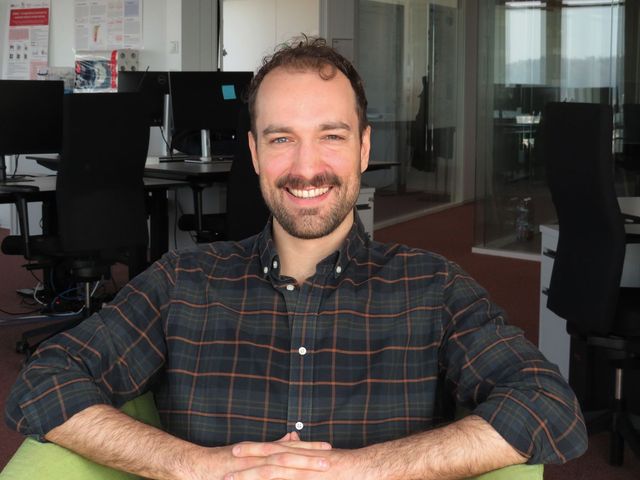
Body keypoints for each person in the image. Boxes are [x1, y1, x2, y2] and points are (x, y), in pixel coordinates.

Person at [5, 37, 586, 480]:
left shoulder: (433, 287)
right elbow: (43, 384)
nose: (307, 168)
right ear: (255, 153)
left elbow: (547, 407)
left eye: (331, 135)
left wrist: (362, 470)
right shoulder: (182, 282)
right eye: (282, 138)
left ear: (363, 148)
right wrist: (193, 465)